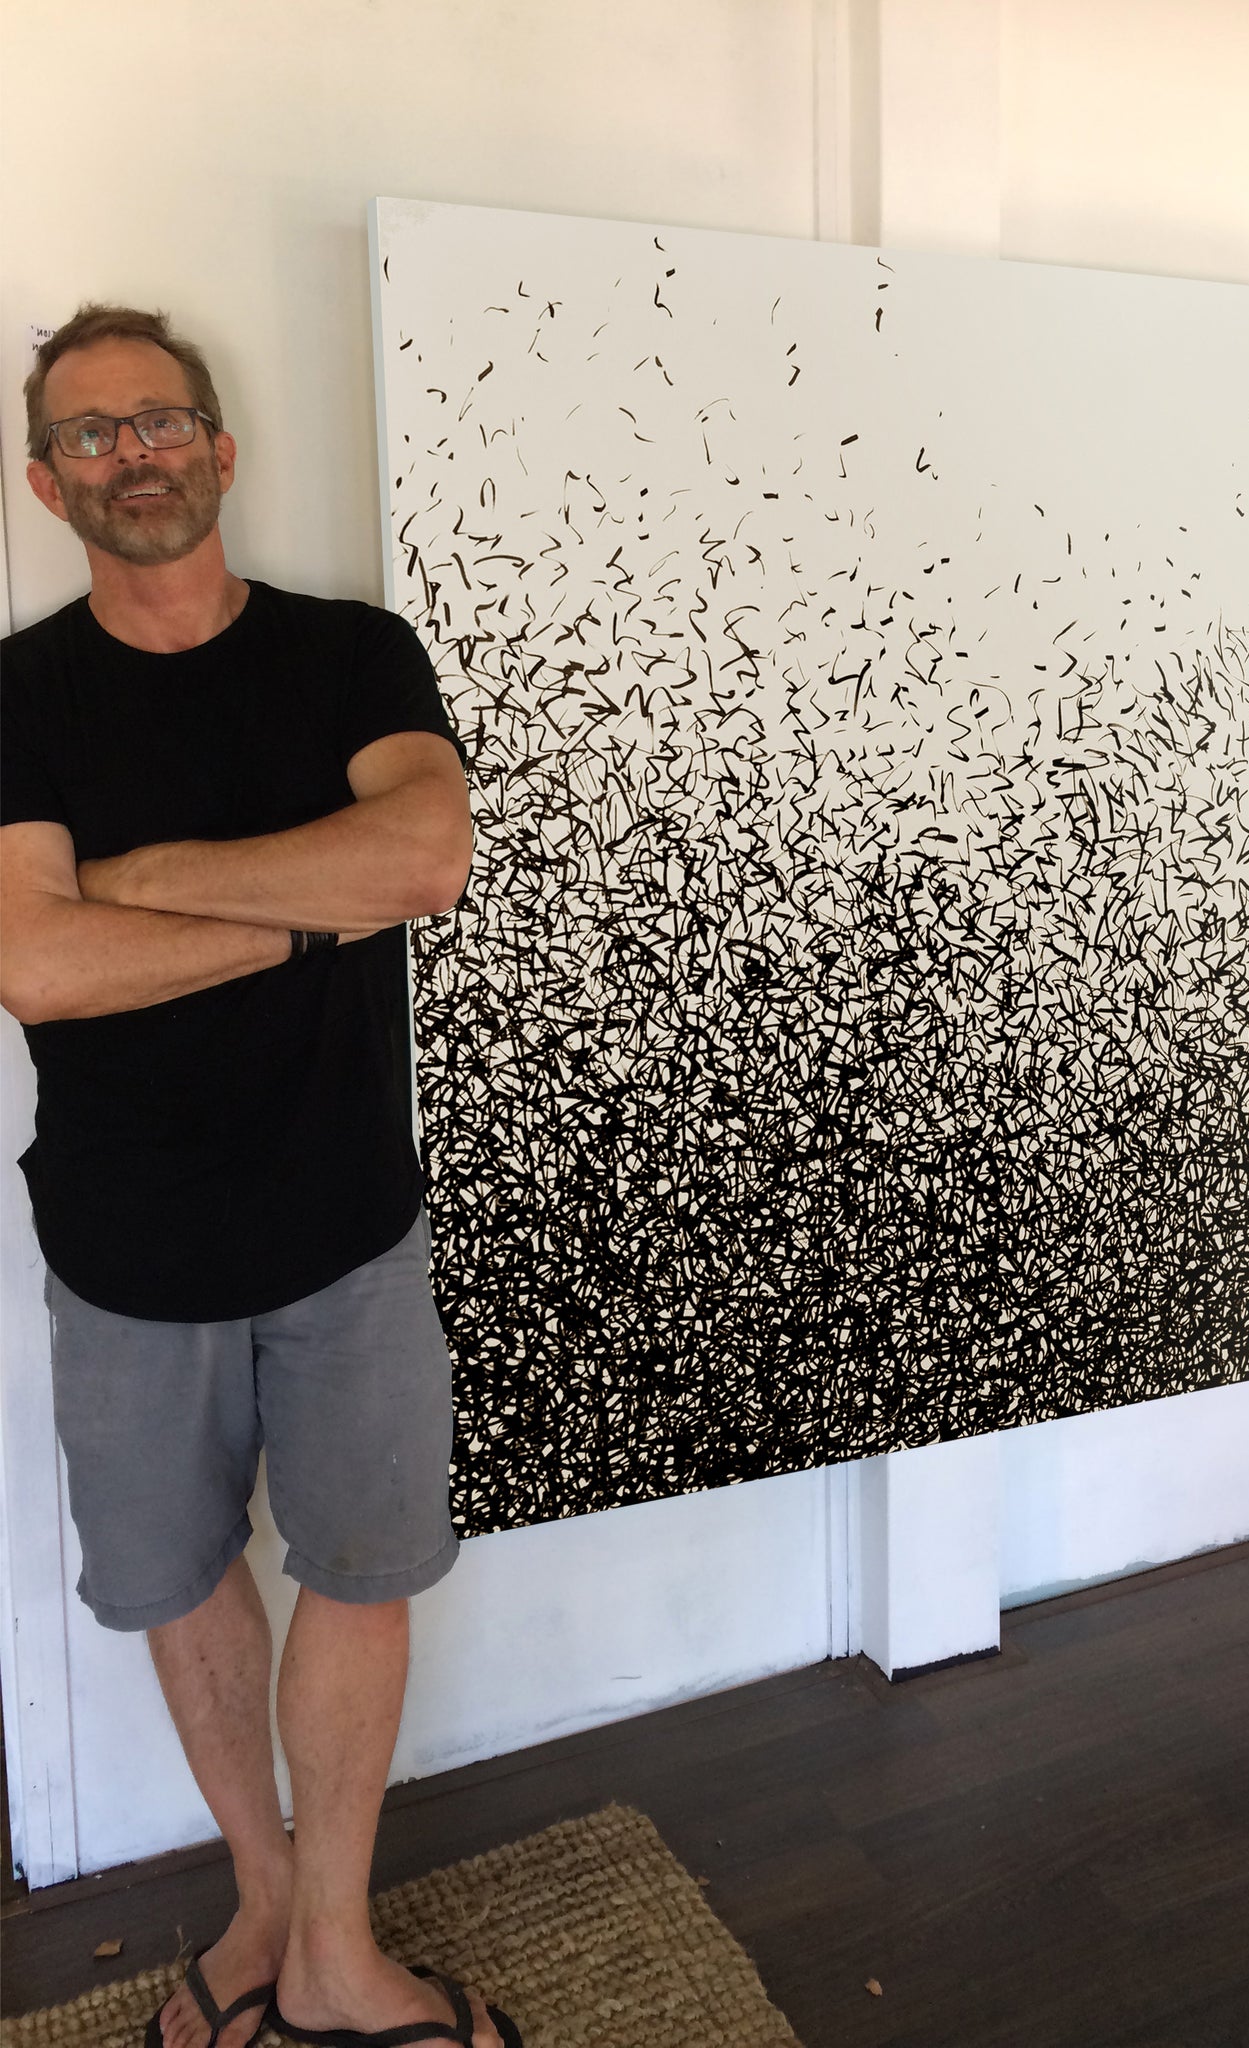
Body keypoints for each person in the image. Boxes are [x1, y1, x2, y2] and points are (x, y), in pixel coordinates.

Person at [0, 305, 519, 2048]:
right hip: (125, 1247)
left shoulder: (353, 654)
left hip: (346, 1223)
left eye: (159, 421)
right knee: (180, 1581)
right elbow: (37, 965)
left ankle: (337, 1952)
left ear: (219, 450)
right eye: (89, 434)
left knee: (362, 1569)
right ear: (47, 482)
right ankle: (269, 1901)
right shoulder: (15, 694)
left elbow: (424, 855)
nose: (131, 454)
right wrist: (306, 911)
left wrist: (142, 883)